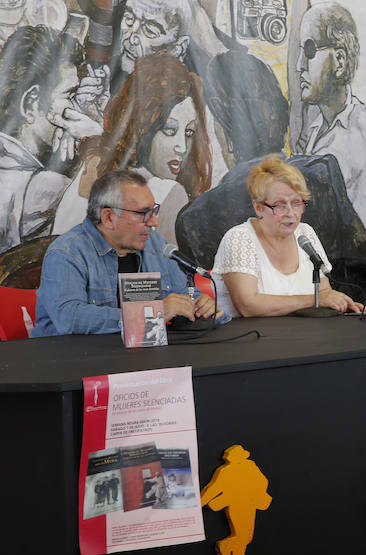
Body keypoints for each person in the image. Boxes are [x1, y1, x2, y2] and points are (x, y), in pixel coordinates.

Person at [32, 170, 217, 336]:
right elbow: (70, 318)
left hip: (137, 357)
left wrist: (200, 307)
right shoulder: (66, 253)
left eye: (154, 211)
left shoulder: (154, 243)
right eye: (143, 213)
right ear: (109, 218)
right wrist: (152, 312)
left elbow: (181, 294)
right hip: (71, 363)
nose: (154, 222)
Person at [53, 53, 212, 243]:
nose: (181, 147)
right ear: (142, 128)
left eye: (188, 133)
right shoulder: (168, 192)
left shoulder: (94, 167)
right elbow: (165, 271)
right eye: (169, 131)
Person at [211, 155, 364, 316]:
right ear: (258, 208)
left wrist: (344, 305)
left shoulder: (305, 233)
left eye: (296, 203)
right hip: (251, 338)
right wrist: (315, 300)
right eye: (279, 205)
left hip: (304, 336)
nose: (290, 213)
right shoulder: (239, 239)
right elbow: (248, 306)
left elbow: (325, 292)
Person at [0, 26, 98, 255]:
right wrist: (95, 141)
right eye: (69, 96)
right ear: (32, 103)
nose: (75, 109)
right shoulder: (46, 187)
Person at [293, 2, 366, 241]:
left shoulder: (347, 142)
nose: (299, 65)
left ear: (340, 61)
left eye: (310, 51)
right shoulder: (324, 121)